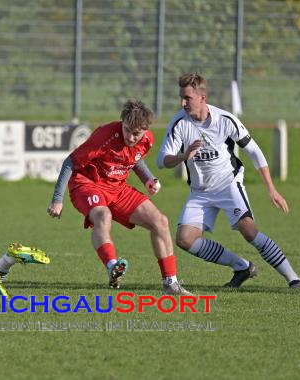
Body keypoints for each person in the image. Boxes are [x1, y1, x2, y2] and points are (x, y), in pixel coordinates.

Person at [156, 73, 300, 289]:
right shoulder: (179, 123)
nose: (183, 103)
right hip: (200, 191)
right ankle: (242, 266)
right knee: (185, 239)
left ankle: (294, 278)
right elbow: (162, 161)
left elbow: (254, 151)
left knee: (249, 231)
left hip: (228, 184)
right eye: (181, 97)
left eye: (187, 98)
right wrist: (182, 156)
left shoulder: (224, 120)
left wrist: (271, 189)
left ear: (202, 97)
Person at [47, 99, 192, 295]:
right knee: (103, 216)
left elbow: (135, 160)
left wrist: (148, 179)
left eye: (136, 134)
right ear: (122, 122)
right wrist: (57, 199)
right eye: (127, 130)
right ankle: (113, 267)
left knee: (161, 222)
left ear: (145, 130)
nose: (131, 137)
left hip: (117, 187)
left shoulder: (147, 139)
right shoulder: (105, 135)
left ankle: (170, 283)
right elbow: (70, 161)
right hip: (87, 184)